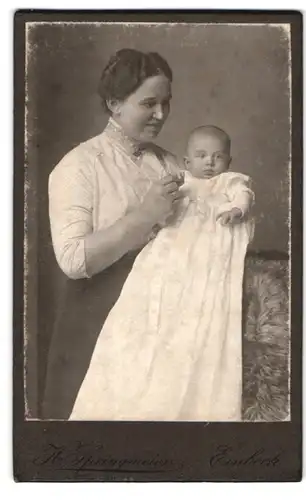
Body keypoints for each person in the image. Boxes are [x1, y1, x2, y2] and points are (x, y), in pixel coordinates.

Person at [69, 125, 255, 422]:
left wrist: (237, 210)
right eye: (202, 155)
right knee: (151, 300)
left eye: (218, 157)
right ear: (187, 162)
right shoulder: (181, 184)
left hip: (210, 249)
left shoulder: (230, 182)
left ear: (228, 163)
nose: (209, 162)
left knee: (200, 311)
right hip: (175, 253)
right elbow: (161, 216)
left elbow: (244, 196)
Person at [43, 48, 183, 419]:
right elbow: (73, 260)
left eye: (166, 103)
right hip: (95, 317)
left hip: (159, 322)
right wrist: (143, 217)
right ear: (114, 103)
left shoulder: (170, 163)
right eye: (149, 103)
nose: (160, 115)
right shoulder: (79, 166)